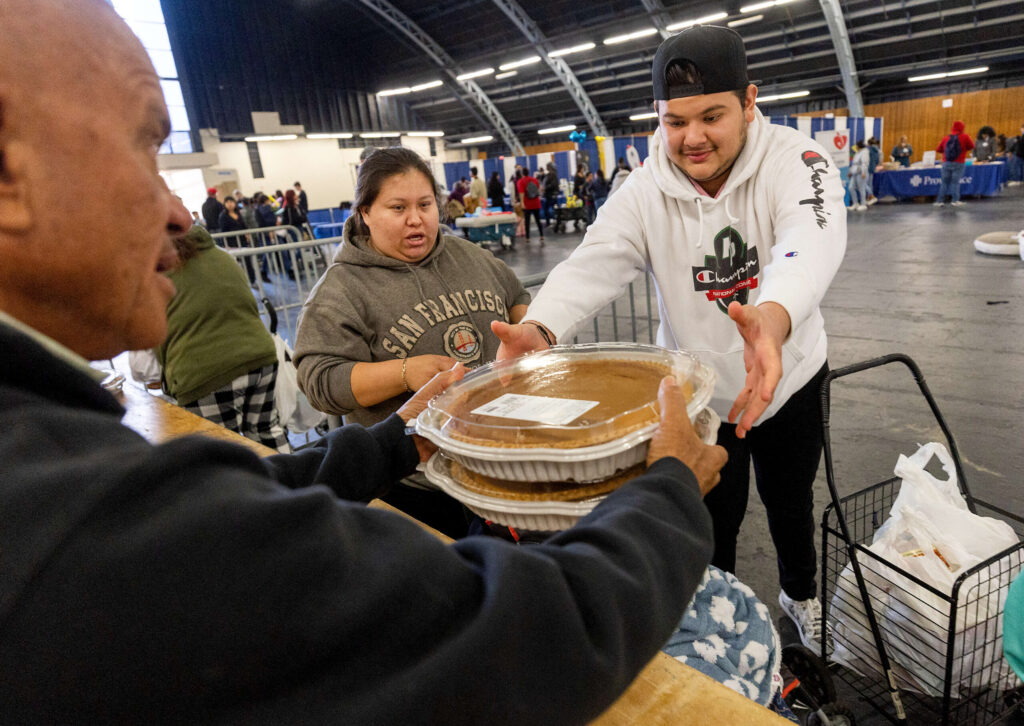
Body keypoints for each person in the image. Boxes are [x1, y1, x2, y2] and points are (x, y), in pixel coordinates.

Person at [0, 2, 733, 722]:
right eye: (143, 148)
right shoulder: (72, 525)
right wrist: (669, 488)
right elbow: (530, 639)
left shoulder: (53, 463)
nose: (181, 213)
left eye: (425, 204)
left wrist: (399, 439)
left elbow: (242, 495)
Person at [492, 25, 847, 654]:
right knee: (710, 515)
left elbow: (810, 235)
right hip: (703, 393)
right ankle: (719, 621)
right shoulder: (644, 187)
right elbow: (595, 259)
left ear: (749, 101)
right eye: (674, 121)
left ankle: (802, 598)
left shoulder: (795, 160)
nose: (693, 138)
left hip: (786, 375)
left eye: (711, 116)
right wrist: (540, 325)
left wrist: (773, 314)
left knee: (791, 501)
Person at [294, 147, 532, 536]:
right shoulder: (341, 290)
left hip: (502, 463)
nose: (416, 219)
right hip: (418, 486)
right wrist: (404, 373)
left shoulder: (468, 255)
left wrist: (526, 327)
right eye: (398, 208)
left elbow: (516, 294)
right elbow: (320, 381)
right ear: (365, 213)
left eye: (425, 204)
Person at [156, 225, 291, 452]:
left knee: (221, 452)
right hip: (260, 356)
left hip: (205, 370)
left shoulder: (161, 268)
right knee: (267, 433)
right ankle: (292, 484)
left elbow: (157, 336)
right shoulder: (221, 255)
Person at [934, 120, 974, 207]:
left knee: (944, 182)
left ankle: (939, 201)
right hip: (959, 162)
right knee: (955, 182)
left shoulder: (946, 138)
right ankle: (955, 200)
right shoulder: (965, 137)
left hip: (946, 162)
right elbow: (971, 146)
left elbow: (938, 149)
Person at [517, 168, 544, 242]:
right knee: (538, 220)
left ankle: (528, 237)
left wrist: (522, 203)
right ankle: (541, 235)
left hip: (527, 204)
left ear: (522, 173)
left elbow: (521, 193)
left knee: (527, 221)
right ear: (528, 173)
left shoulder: (520, 181)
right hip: (536, 202)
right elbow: (539, 190)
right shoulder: (534, 180)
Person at [846, 142, 870, 211]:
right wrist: (850, 172)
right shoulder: (857, 153)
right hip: (855, 172)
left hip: (861, 173)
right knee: (851, 187)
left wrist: (863, 172)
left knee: (861, 188)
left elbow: (864, 163)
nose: (855, 147)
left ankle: (863, 204)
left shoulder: (865, 153)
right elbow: (854, 164)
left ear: (859, 146)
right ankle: (855, 203)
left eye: (856, 146)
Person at [542, 161, 560, 227]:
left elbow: (553, 184)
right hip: (549, 195)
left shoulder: (553, 174)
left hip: (551, 195)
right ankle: (549, 221)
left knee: (549, 209)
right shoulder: (550, 174)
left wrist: (545, 188)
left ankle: (549, 222)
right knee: (549, 209)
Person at [864, 137, 880, 205]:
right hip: (872, 167)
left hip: (868, 168)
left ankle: (871, 196)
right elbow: (877, 160)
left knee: (866, 183)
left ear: (868, 143)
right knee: (870, 183)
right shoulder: (877, 150)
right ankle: (869, 197)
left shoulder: (868, 150)